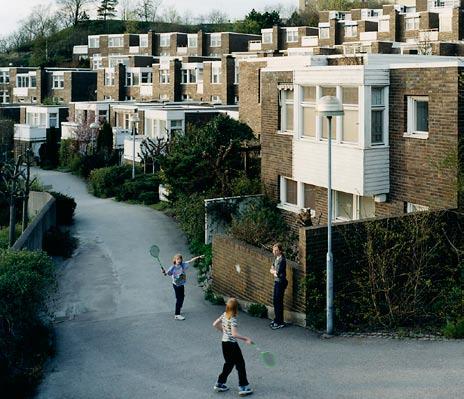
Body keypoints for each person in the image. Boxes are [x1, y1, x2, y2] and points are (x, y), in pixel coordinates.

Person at [212, 298, 253, 396]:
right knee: (240, 364)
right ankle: (243, 387)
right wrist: (246, 339)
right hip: (232, 344)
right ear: (235, 308)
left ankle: (219, 383)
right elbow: (234, 334)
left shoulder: (224, 314)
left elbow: (215, 324)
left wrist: (224, 331)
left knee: (229, 364)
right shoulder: (233, 319)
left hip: (224, 343)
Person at [163, 253, 203, 320]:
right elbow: (167, 274)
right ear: (175, 260)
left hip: (181, 284)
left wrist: (198, 257)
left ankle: (179, 308)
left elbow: (191, 261)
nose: (179, 260)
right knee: (179, 299)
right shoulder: (173, 267)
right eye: (177, 259)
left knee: (182, 297)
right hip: (176, 285)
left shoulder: (183, 265)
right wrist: (164, 272)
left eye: (180, 259)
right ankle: (177, 314)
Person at [269, 243, 287, 330]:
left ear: (280, 251)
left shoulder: (282, 260)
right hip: (277, 282)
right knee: (275, 301)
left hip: (281, 282)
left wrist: (273, 271)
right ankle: (277, 319)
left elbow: (277, 273)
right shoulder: (276, 258)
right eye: (273, 250)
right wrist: (273, 271)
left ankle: (280, 322)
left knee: (279, 302)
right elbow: (271, 268)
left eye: (276, 250)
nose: (274, 252)